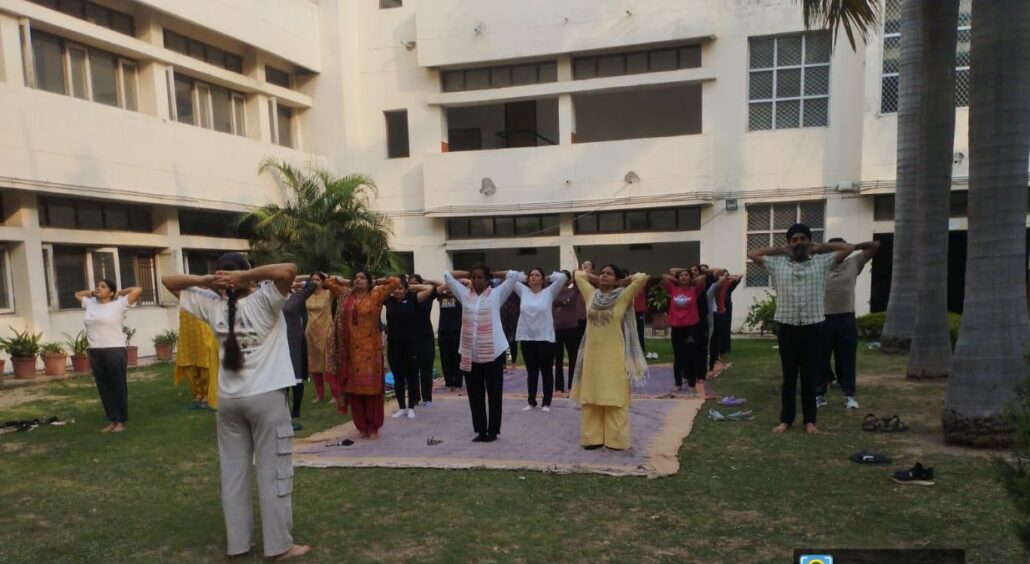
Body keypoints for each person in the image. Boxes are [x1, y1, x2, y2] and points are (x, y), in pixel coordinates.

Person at [161, 254, 309, 560]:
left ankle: (239, 544)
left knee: (233, 475)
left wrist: (206, 281)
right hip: (266, 398)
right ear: (246, 277)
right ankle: (280, 546)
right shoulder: (265, 299)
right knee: (273, 473)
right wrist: (238, 278)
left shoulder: (212, 304)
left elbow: (168, 282)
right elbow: (288, 269)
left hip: (229, 402)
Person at [748, 224, 853, 434]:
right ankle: (786, 420)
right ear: (789, 243)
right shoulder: (777, 264)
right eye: (794, 239)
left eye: (803, 238)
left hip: (813, 327)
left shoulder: (822, 262)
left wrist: (820, 247)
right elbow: (752, 253)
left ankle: (810, 422)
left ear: (809, 241)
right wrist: (780, 250)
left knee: (810, 376)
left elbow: (848, 248)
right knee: (789, 377)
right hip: (787, 327)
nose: (799, 243)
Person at [571, 265, 648, 450]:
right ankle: (592, 439)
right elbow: (578, 274)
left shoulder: (622, 296)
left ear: (616, 279)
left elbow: (642, 277)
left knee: (614, 397)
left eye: (609, 274)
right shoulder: (591, 295)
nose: (604, 276)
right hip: (591, 358)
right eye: (602, 273)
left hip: (614, 357)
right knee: (591, 397)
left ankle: (616, 441)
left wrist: (623, 282)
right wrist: (596, 279)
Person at [443, 264, 520, 442]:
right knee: (474, 394)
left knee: (494, 393)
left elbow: (514, 275)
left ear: (487, 280)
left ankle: (492, 431)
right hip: (471, 353)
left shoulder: (496, 294)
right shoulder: (464, 295)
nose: (476, 281)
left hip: (493, 352)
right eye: (474, 278)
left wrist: (493, 271)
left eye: (480, 278)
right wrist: (469, 272)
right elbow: (448, 275)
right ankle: (481, 430)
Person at [325, 272, 401, 439]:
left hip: (371, 352)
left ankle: (374, 427)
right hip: (350, 351)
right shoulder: (346, 295)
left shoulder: (376, 295)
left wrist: (376, 281)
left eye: (362, 278)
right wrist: (344, 280)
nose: (358, 280)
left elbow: (395, 281)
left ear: (368, 282)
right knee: (354, 391)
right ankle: (362, 426)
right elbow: (328, 282)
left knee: (372, 391)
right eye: (356, 278)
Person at [816, 238, 880, 410]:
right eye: (832, 250)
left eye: (839, 249)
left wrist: (853, 247)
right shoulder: (820, 265)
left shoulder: (853, 263)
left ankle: (849, 395)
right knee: (820, 359)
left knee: (846, 359)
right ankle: (819, 394)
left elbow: (876, 245)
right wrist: (824, 248)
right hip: (823, 319)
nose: (837, 253)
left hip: (846, 318)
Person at [75, 280, 143, 433]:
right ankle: (112, 419)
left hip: (114, 350)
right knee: (103, 388)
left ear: (111, 292)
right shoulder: (90, 303)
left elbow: (138, 289)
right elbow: (77, 294)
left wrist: (122, 291)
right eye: (98, 285)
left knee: (117, 386)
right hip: (95, 351)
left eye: (103, 286)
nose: (98, 288)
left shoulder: (119, 304)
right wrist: (92, 293)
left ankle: (120, 421)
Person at [514, 268, 568, 412]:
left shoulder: (549, 292)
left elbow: (562, 278)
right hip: (527, 337)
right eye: (531, 275)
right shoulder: (523, 291)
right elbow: (511, 277)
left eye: (537, 275)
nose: (533, 277)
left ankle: (547, 402)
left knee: (546, 371)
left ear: (543, 280)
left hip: (545, 337)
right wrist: (523, 276)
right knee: (531, 372)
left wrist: (549, 277)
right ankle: (531, 401)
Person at [385, 278, 435, 418]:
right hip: (394, 345)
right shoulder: (388, 300)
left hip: (411, 345)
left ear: (406, 289)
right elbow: (375, 288)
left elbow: (429, 288)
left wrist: (411, 286)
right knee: (398, 377)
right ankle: (401, 407)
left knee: (412, 376)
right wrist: (389, 284)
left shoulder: (413, 298)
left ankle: (411, 406)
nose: (397, 291)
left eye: (400, 288)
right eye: (394, 288)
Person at [662, 267, 707, 396]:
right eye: (681, 275)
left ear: (690, 277)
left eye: (686, 275)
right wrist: (677, 279)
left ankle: (692, 384)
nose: (683, 277)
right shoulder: (673, 289)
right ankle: (678, 383)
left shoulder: (694, 290)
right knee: (678, 356)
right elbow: (664, 276)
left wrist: (691, 280)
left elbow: (703, 278)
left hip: (691, 328)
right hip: (677, 327)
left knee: (691, 356)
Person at [283, 277, 317, 431]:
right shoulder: (268, 298)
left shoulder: (296, 297)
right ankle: (282, 413)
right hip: (277, 343)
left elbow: (312, 285)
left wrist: (295, 281)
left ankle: (295, 412)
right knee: (281, 381)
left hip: (294, 341)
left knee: (296, 377)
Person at [174, 308, 220, 411]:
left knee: (205, 361)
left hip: (202, 328)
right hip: (187, 330)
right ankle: (199, 395)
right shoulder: (184, 296)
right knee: (188, 362)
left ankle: (208, 396)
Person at [408, 274, 440, 407]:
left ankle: (427, 398)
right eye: (410, 284)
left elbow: (443, 285)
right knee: (412, 369)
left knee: (426, 368)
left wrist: (429, 280)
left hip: (426, 336)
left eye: (416, 284)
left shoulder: (428, 295)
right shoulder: (405, 296)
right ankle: (414, 398)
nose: (413, 287)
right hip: (410, 336)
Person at [552, 270, 585, 393]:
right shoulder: (552, 290)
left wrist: (572, 276)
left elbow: (580, 277)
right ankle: (559, 387)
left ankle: (573, 386)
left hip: (572, 328)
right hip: (556, 329)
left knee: (573, 358)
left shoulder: (574, 290)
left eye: (563, 277)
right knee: (558, 359)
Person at [304, 272, 334, 404]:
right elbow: (291, 284)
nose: (315, 282)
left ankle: (335, 393)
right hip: (311, 332)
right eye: (312, 280)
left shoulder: (329, 294)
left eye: (318, 279)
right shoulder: (306, 295)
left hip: (327, 331)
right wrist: (305, 280)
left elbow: (342, 283)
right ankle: (319, 394)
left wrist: (328, 278)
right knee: (314, 364)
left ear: (323, 282)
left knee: (329, 363)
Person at [710, 271, 741, 371]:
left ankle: (721, 351)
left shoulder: (727, 285)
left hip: (723, 309)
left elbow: (739, 275)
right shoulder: (714, 285)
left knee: (722, 330)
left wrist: (728, 277)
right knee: (715, 333)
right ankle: (715, 353)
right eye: (723, 275)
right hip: (716, 310)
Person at [436, 284, 465, 391]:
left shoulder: (460, 297)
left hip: (457, 332)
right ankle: (449, 383)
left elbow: (469, 284)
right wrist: (446, 284)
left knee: (457, 358)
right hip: (443, 332)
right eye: (447, 288)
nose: (449, 290)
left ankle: (458, 383)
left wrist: (457, 283)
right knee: (445, 359)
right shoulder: (441, 297)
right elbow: (436, 288)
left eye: (451, 287)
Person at [500, 292, 521, 373]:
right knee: (503, 343)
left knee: (513, 343)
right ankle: (504, 363)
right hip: (503, 319)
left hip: (514, 319)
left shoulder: (516, 290)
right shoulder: (502, 289)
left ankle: (513, 362)